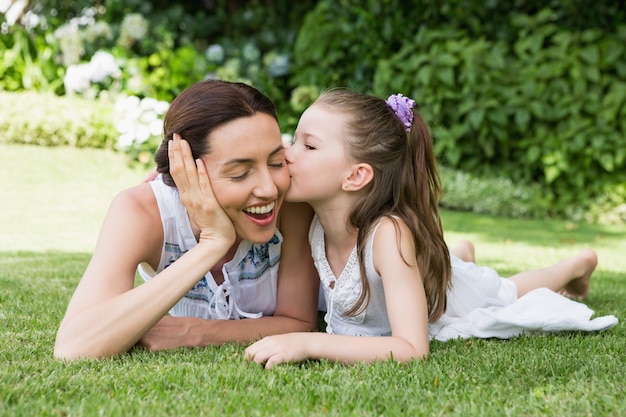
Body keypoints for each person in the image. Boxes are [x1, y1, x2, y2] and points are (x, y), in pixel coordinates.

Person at [244, 89, 618, 369]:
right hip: (412, 275)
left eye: (308, 146)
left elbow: (411, 348)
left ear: (356, 176)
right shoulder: (307, 215)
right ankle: (460, 257)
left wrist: (308, 344)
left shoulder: (388, 235)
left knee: (504, 289)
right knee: (462, 271)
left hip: (449, 297)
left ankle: (577, 264)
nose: (286, 150)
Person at [54, 80, 320, 360]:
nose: (269, 189)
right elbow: (74, 347)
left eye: (276, 163)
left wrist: (196, 332)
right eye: (240, 173)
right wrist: (213, 243)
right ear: (187, 172)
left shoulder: (292, 204)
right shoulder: (142, 212)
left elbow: (299, 322)